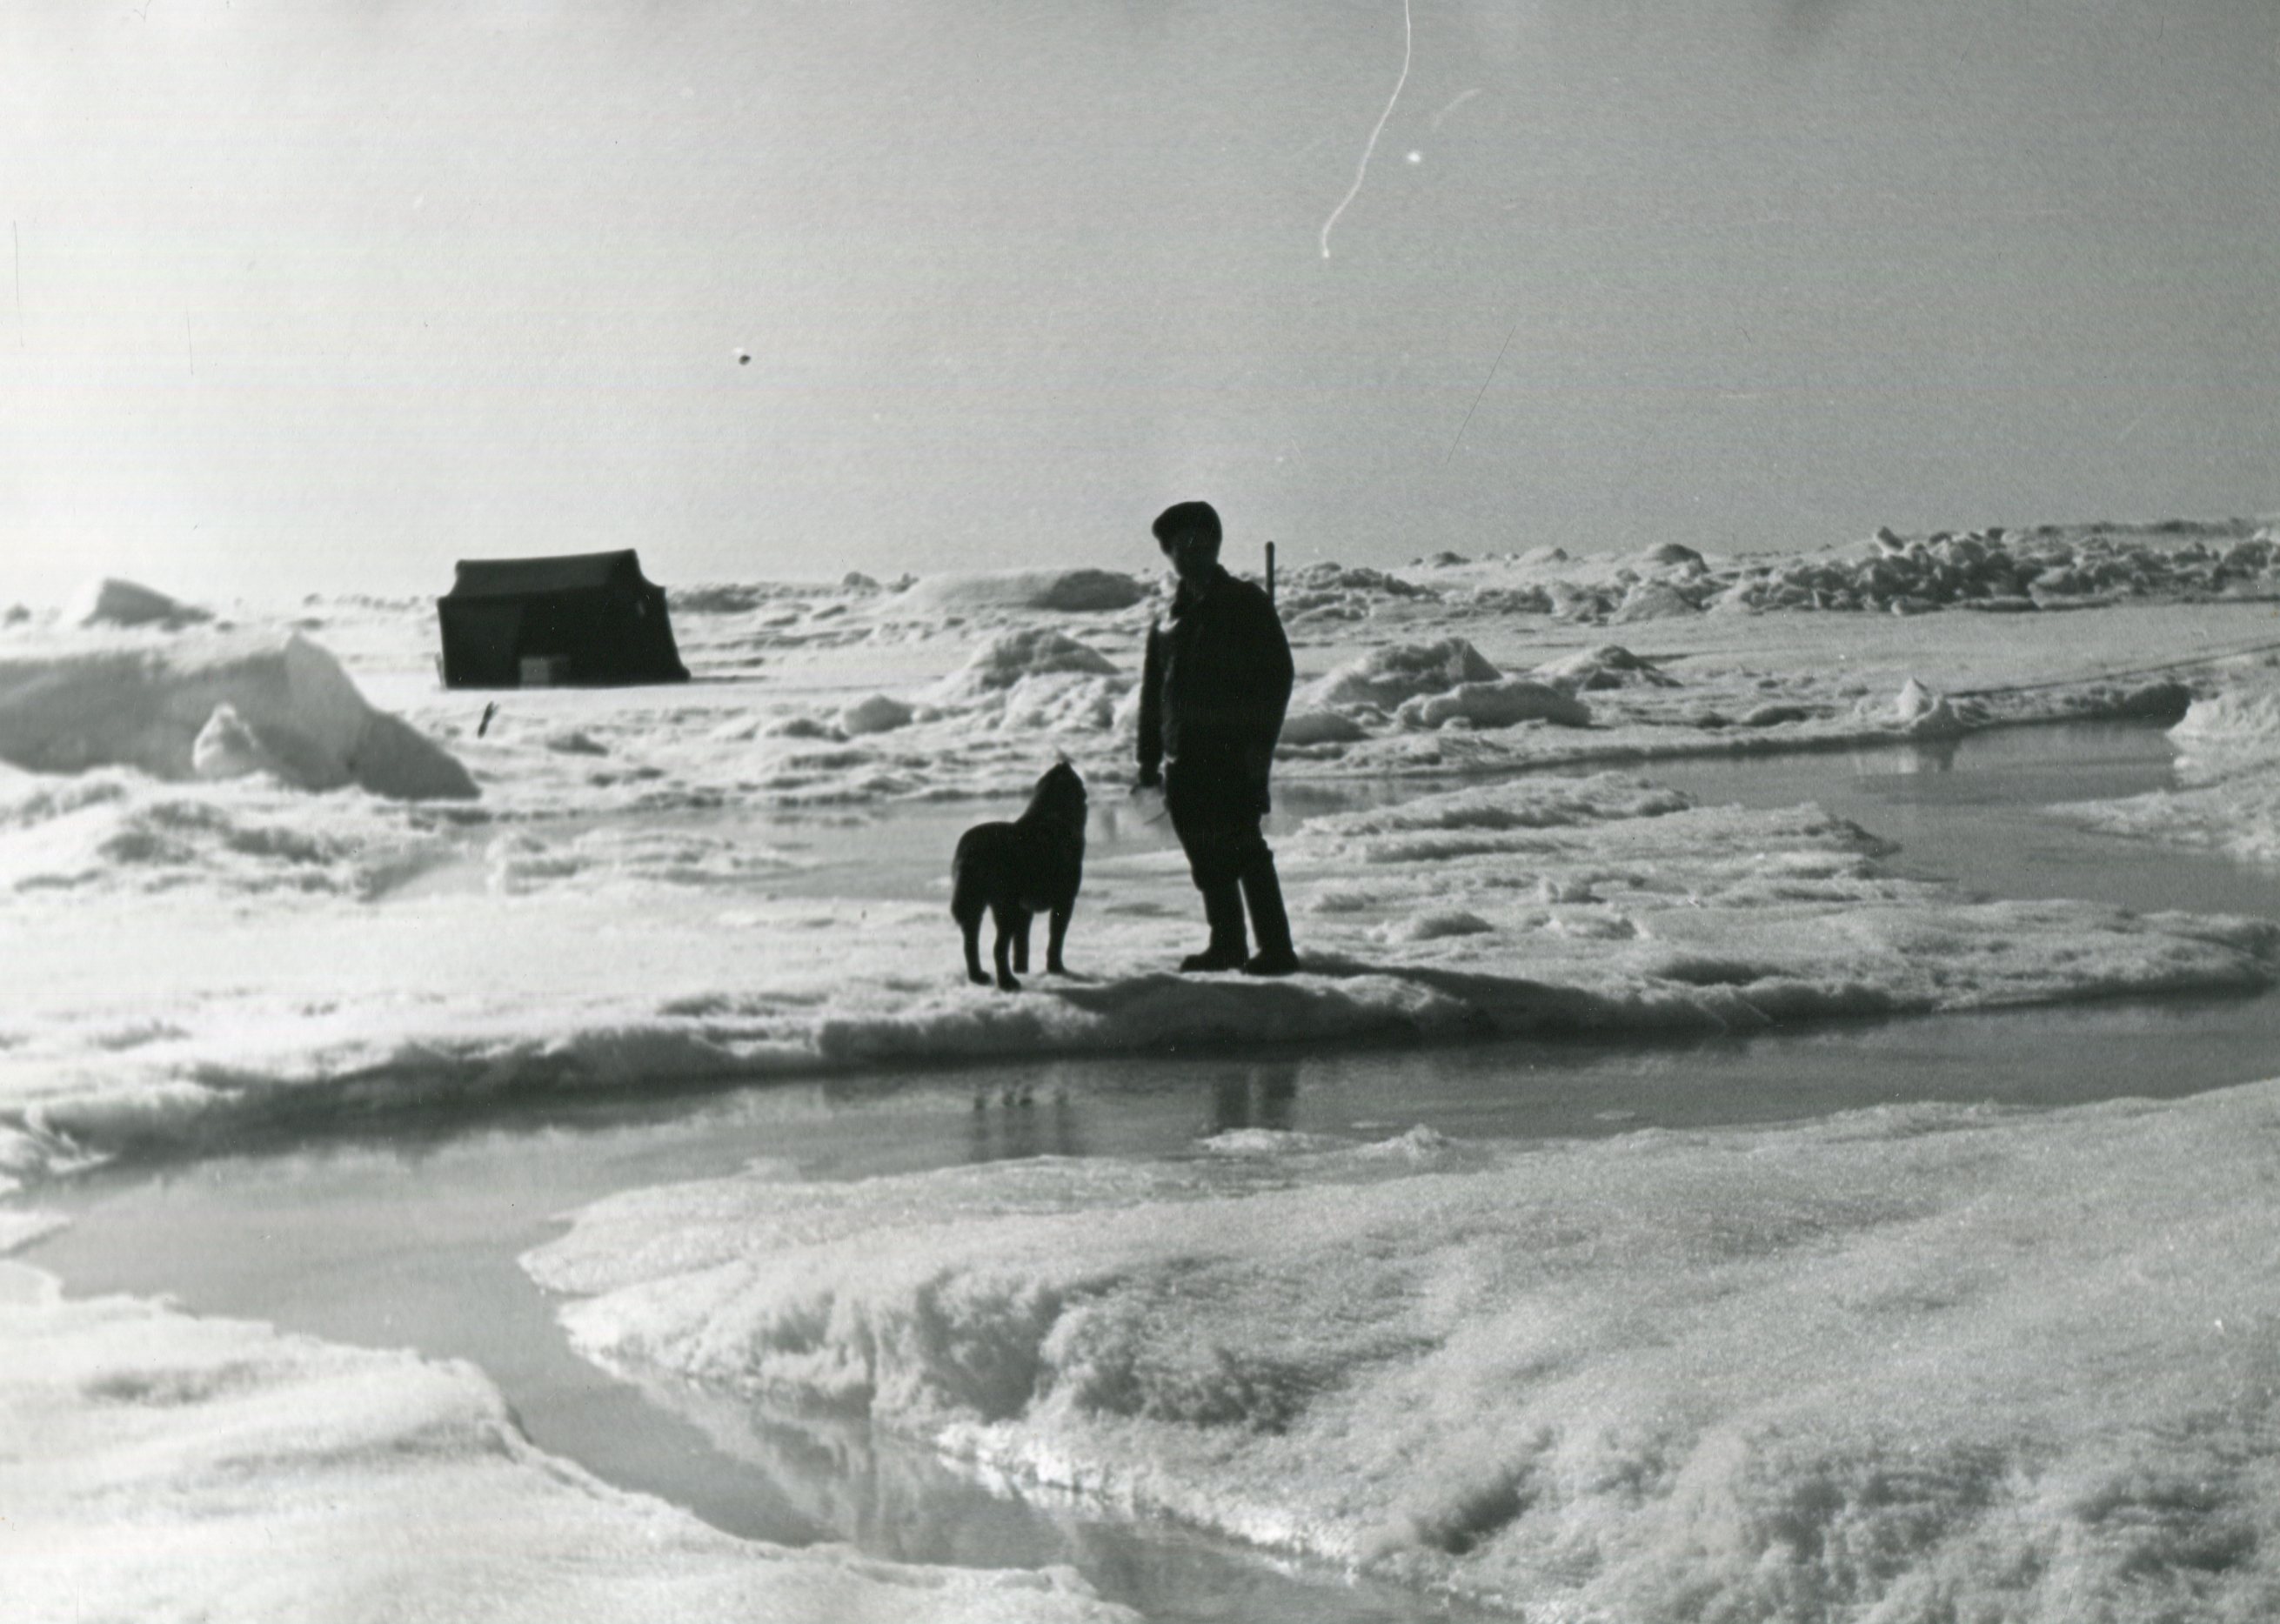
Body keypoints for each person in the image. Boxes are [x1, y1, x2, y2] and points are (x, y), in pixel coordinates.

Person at [1133, 500, 1299, 975]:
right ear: (1169, 553)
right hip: (1182, 757)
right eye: (1179, 546)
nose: (1190, 553)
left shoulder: (1244, 604)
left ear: (1215, 544)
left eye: (1199, 542)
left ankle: (1277, 948)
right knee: (1205, 855)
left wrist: (1257, 745)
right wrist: (1148, 760)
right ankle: (1226, 944)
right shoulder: (1167, 623)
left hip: (1231, 753)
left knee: (1243, 847)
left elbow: (1277, 677)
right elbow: (1153, 696)